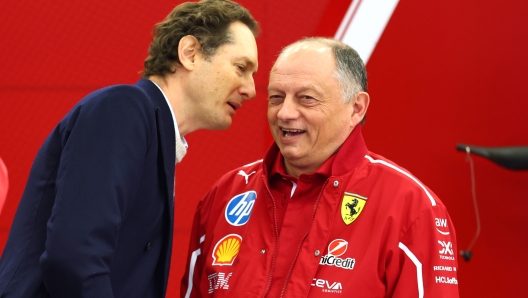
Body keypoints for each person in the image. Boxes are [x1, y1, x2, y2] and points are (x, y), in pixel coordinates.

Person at [0, 0, 258, 297]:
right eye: (241, 67)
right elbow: (74, 257)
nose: (250, 89)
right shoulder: (125, 108)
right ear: (190, 53)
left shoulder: (149, 126)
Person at [181, 37, 459, 297]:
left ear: (356, 108)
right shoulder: (225, 195)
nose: (285, 113)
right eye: (276, 97)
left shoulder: (412, 208)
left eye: (307, 99)